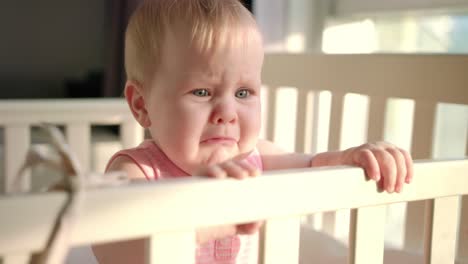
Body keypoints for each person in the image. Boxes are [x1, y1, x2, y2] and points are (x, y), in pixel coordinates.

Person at [92, 0, 413, 263]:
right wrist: (201, 215)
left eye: (243, 93)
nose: (227, 114)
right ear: (142, 105)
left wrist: (354, 157)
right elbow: (112, 244)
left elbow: (315, 166)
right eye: (202, 92)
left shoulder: (256, 159)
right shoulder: (136, 171)